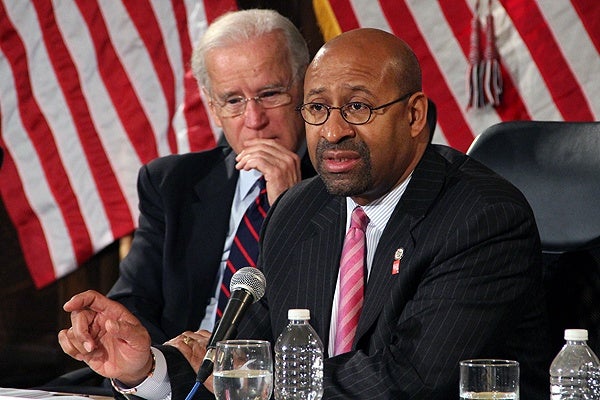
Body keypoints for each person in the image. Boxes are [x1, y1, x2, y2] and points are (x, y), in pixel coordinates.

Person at [58, 28, 552, 399]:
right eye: (316, 109)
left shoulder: (480, 218)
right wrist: (147, 369)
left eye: (358, 108)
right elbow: (242, 355)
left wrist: (259, 383)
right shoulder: (300, 208)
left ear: (414, 115)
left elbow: (413, 380)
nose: (332, 131)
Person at [106, 9, 315, 344]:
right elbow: (133, 303)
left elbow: (321, 320)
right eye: (233, 100)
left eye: (270, 93)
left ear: (305, 85)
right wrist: (163, 364)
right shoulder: (172, 182)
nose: (254, 119)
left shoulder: (342, 186)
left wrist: (289, 206)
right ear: (213, 107)